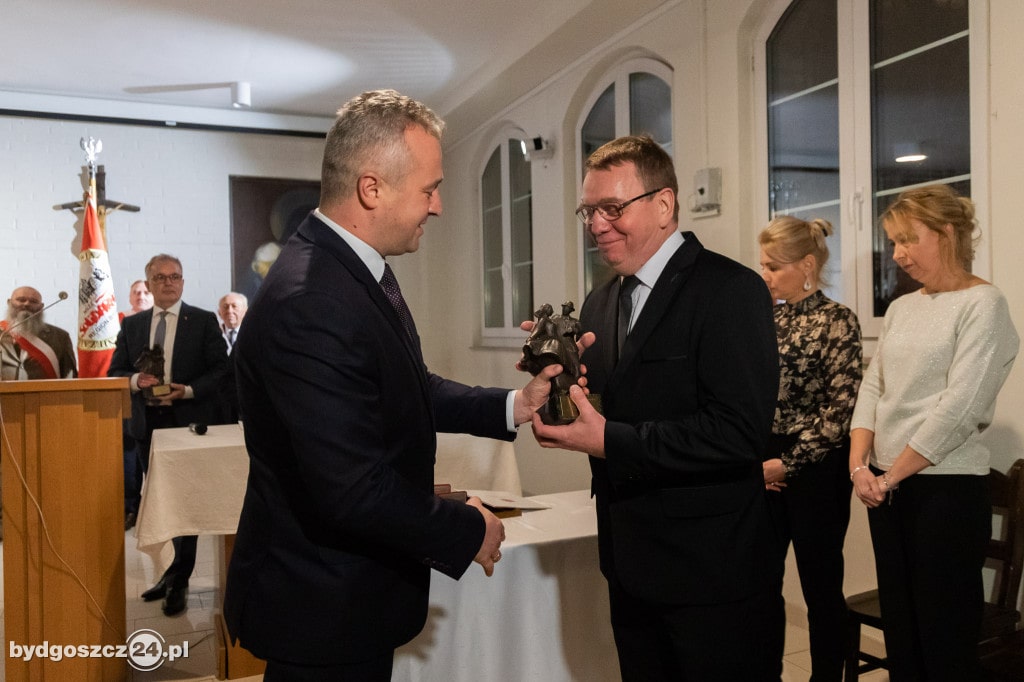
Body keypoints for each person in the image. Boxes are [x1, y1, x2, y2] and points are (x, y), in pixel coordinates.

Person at [223, 89, 563, 681]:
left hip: (344, 593)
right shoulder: (313, 298)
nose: (438, 207)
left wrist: (513, 405)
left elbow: (403, 385)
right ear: (372, 188)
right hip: (322, 602)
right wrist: (468, 528)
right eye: (430, 189)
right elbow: (353, 491)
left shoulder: (345, 267)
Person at [531, 134, 781, 681]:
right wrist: (556, 383)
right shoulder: (601, 300)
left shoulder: (729, 289)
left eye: (612, 208)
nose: (597, 225)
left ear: (663, 204)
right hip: (628, 564)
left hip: (712, 574)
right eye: (588, 211)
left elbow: (738, 433)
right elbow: (609, 404)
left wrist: (607, 441)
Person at [849, 184, 1019, 680]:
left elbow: (959, 409)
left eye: (908, 239)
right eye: (892, 242)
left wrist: (890, 476)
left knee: (943, 637)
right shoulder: (902, 308)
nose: (897, 254)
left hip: (944, 491)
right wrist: (860, 466)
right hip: (885, 487)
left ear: (946, 233)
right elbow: (873, 387)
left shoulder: (984, 304)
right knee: (901, 630)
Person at [758, 216, 862, 680]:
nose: (765, 275)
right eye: (762, 265)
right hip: (764, 464)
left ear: (806, 265)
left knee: (821, 587)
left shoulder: (838, 321)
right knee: (761, 585)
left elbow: (840, 411)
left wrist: (788, 463)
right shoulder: (765, 319)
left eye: (773, 267)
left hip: (818, 467)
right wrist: (758, 462)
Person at [108, 254, 228, 616]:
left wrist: (188, 390)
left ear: (182, 282)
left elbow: (222, 370)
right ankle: (167, 572)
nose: (168, 283)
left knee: (185, 503)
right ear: (149, 284)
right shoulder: (133, 325)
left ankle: (180, 578)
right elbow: (115, 371)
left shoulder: (203, 321)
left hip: (188, 423)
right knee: (160, 500)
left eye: (174, 276)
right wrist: (135, 380)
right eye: (160, 278)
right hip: (148, 426)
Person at [120, 279, 155, 531]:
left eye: (145, 292)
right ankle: (131, 508)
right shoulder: (119, 323)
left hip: (164, 404)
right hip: (130, 403)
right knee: (130, 462)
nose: (141, 296)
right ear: (130, 297)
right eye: (136, 292)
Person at [1, 286, 77, 380]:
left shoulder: (60, 336)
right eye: (21, 300)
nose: (27, 304)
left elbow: (70, 376)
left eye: (33, 301)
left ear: (41, 307)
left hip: (46, 389)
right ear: (9, 302)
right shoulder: (2, 333)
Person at [217, 291, 247, 423]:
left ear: (245, 311)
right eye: (225, 307)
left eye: (234, 306)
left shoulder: (252, 337)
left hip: (244, 404)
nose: (229, 311)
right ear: (219, 312)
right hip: (218, 406)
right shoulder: (212, 335)